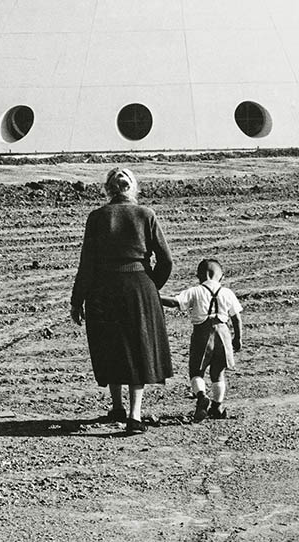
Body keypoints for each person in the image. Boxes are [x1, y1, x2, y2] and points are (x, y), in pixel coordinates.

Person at [71, 167, 174, 434]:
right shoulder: (146, 214)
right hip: (138, 288)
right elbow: (166, 260)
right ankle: (134, 415)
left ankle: (116, 407)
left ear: (109, 188)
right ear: (133, 187)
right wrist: (151, 287)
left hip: (102, 287)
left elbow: (87, 263)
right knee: (137, 348)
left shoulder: (96, 217)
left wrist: (77, 299)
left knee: (110, 346)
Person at [161, 258, 243, 422]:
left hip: (202, 333)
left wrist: (156, 296)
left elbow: (176, 302)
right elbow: (237, 318)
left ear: (199, 275)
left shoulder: (195, 291)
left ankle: (201, 396)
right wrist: (238, 338)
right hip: (223, 333)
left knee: (196, 371)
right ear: (222, 276)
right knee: (218, 373)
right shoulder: (227, 293)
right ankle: (217, 406)